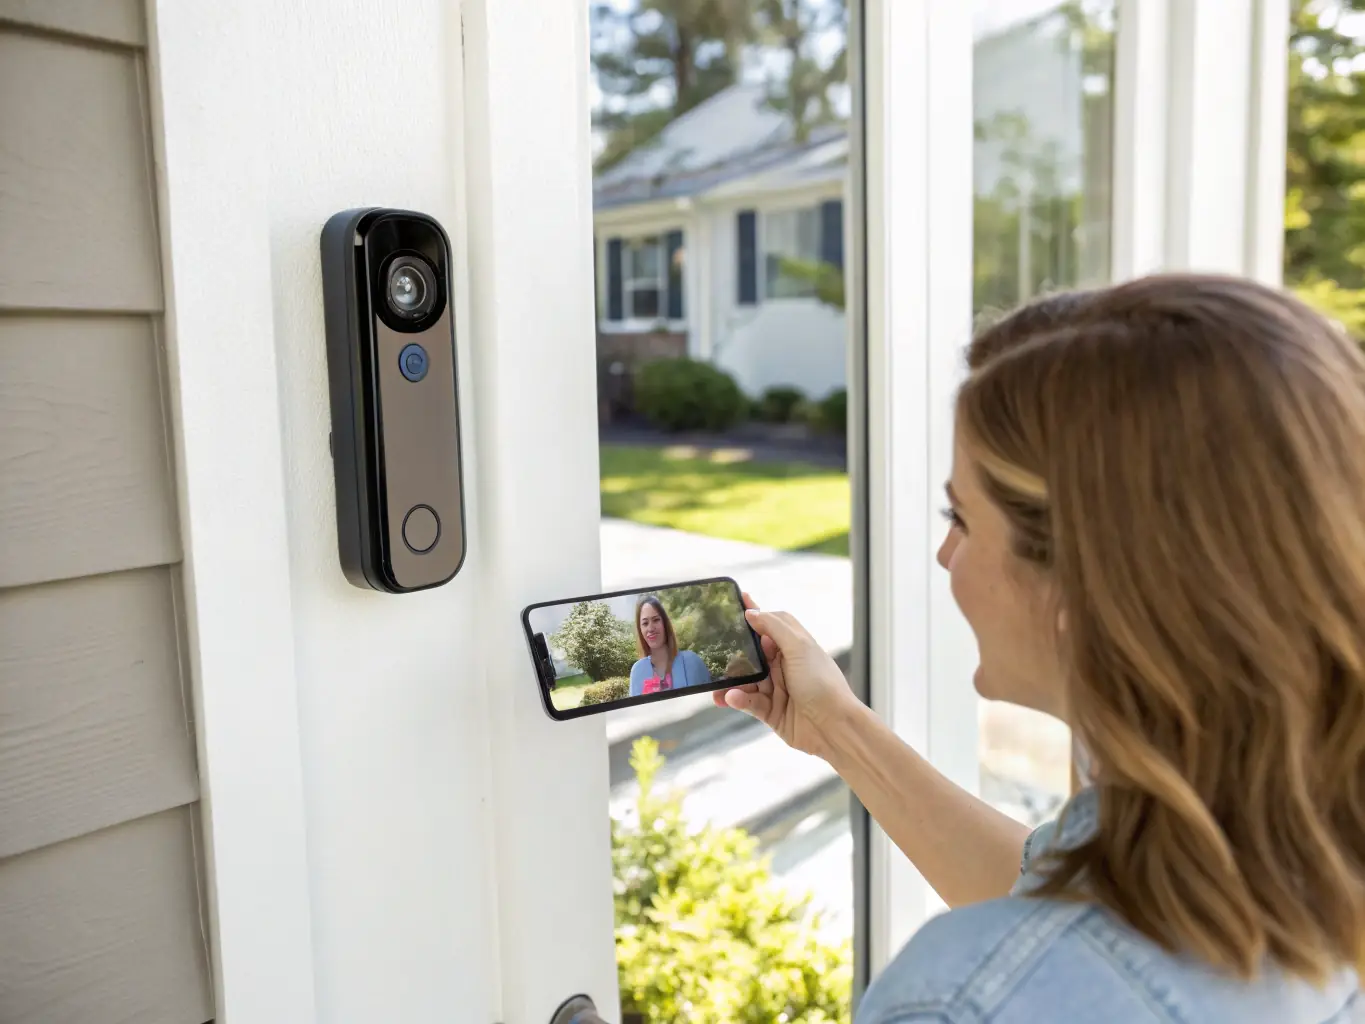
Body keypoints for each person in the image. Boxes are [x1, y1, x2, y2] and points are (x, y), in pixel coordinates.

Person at [717, 275, 1364, 1022]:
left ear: (1085, 587)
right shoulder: (1284, 830)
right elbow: (1063, 909)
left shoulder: (965, 1005)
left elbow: (1049, 966)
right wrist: (837, 728)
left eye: (959, 516)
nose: (942, 554)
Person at [629, 596, 711, 697]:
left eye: (656, 620)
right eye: (645, 623)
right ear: (640, 629)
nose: (650, 628)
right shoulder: (638, 671)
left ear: (665, 623)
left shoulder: (692, 661)